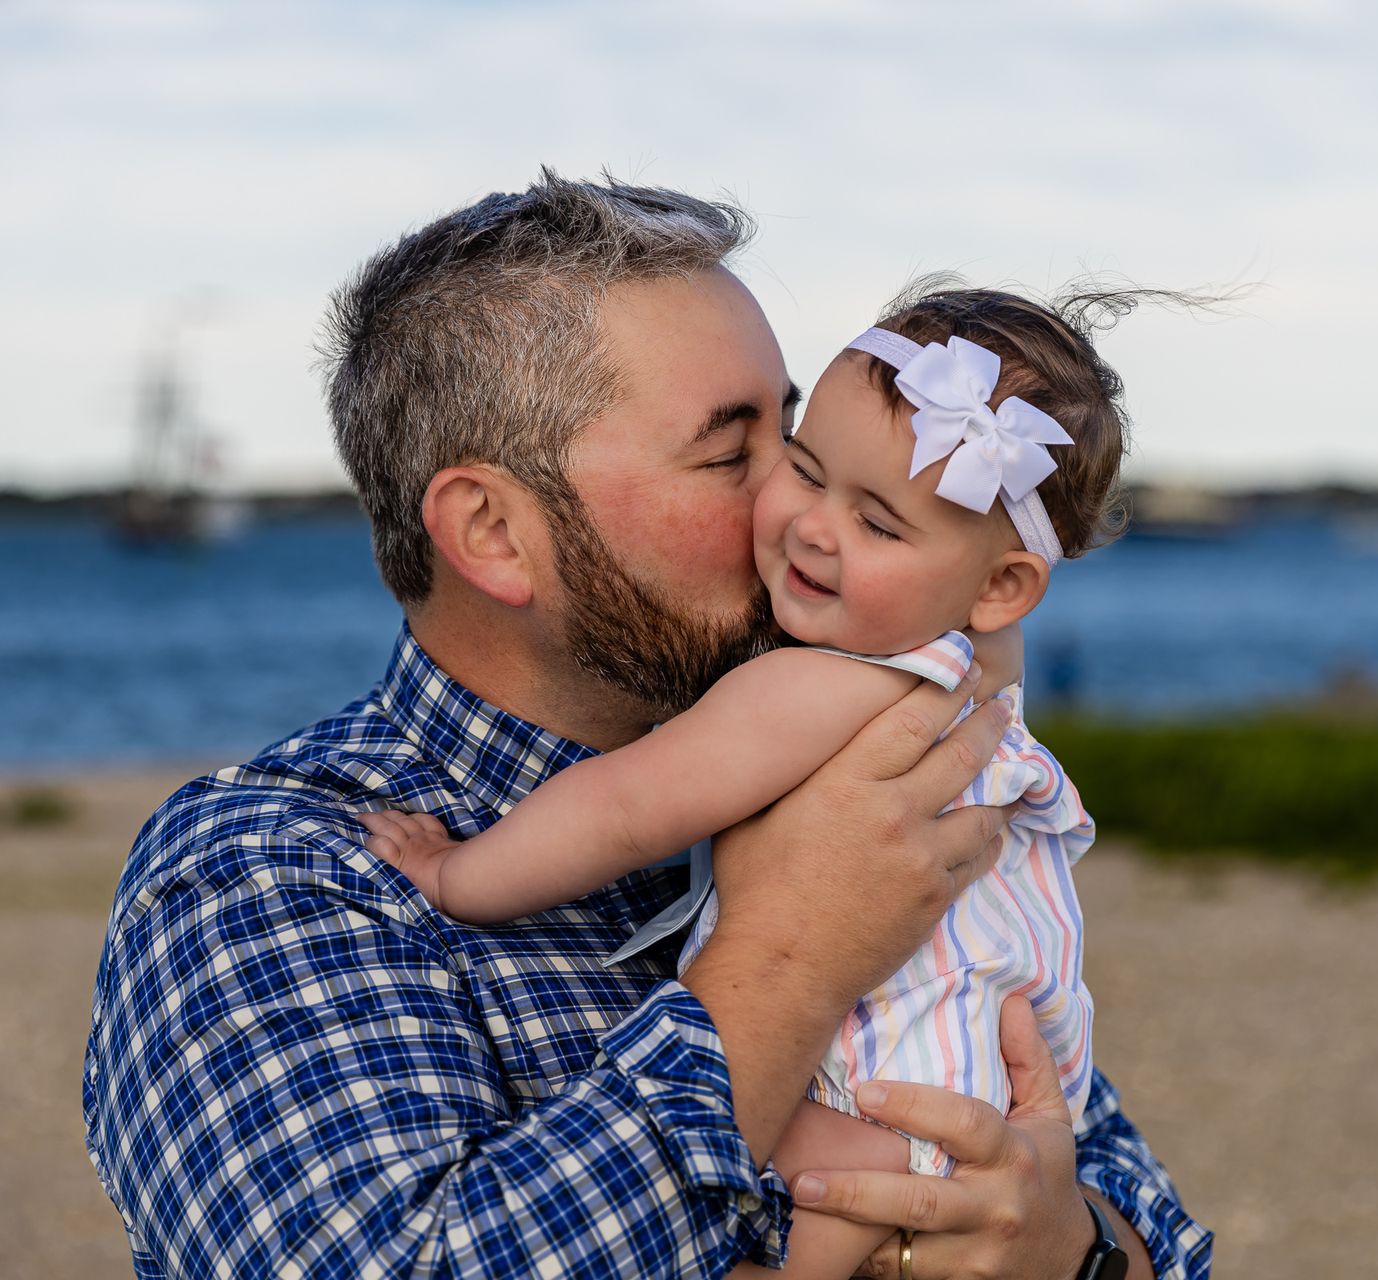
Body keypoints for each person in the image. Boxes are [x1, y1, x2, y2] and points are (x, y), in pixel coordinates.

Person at [82, 172, 1213, 1279]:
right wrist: (785, 959)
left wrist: (1076, 1248)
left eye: (796, 430)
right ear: (493, 532)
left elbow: (1126, 1200)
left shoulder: (883, 783)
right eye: (736, 453)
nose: (792, 500)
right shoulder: (270, 873)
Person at [359, 284, 1146, 1278]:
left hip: (888, 1099)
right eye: (790, 465)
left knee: (781, 1200)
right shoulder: (973, 670)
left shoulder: (814, 688)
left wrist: (455, 877)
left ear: (1000, 586)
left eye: (880, 523)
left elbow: (627, 806)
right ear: (488, 526)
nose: (810, 524)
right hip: (980, 1104)